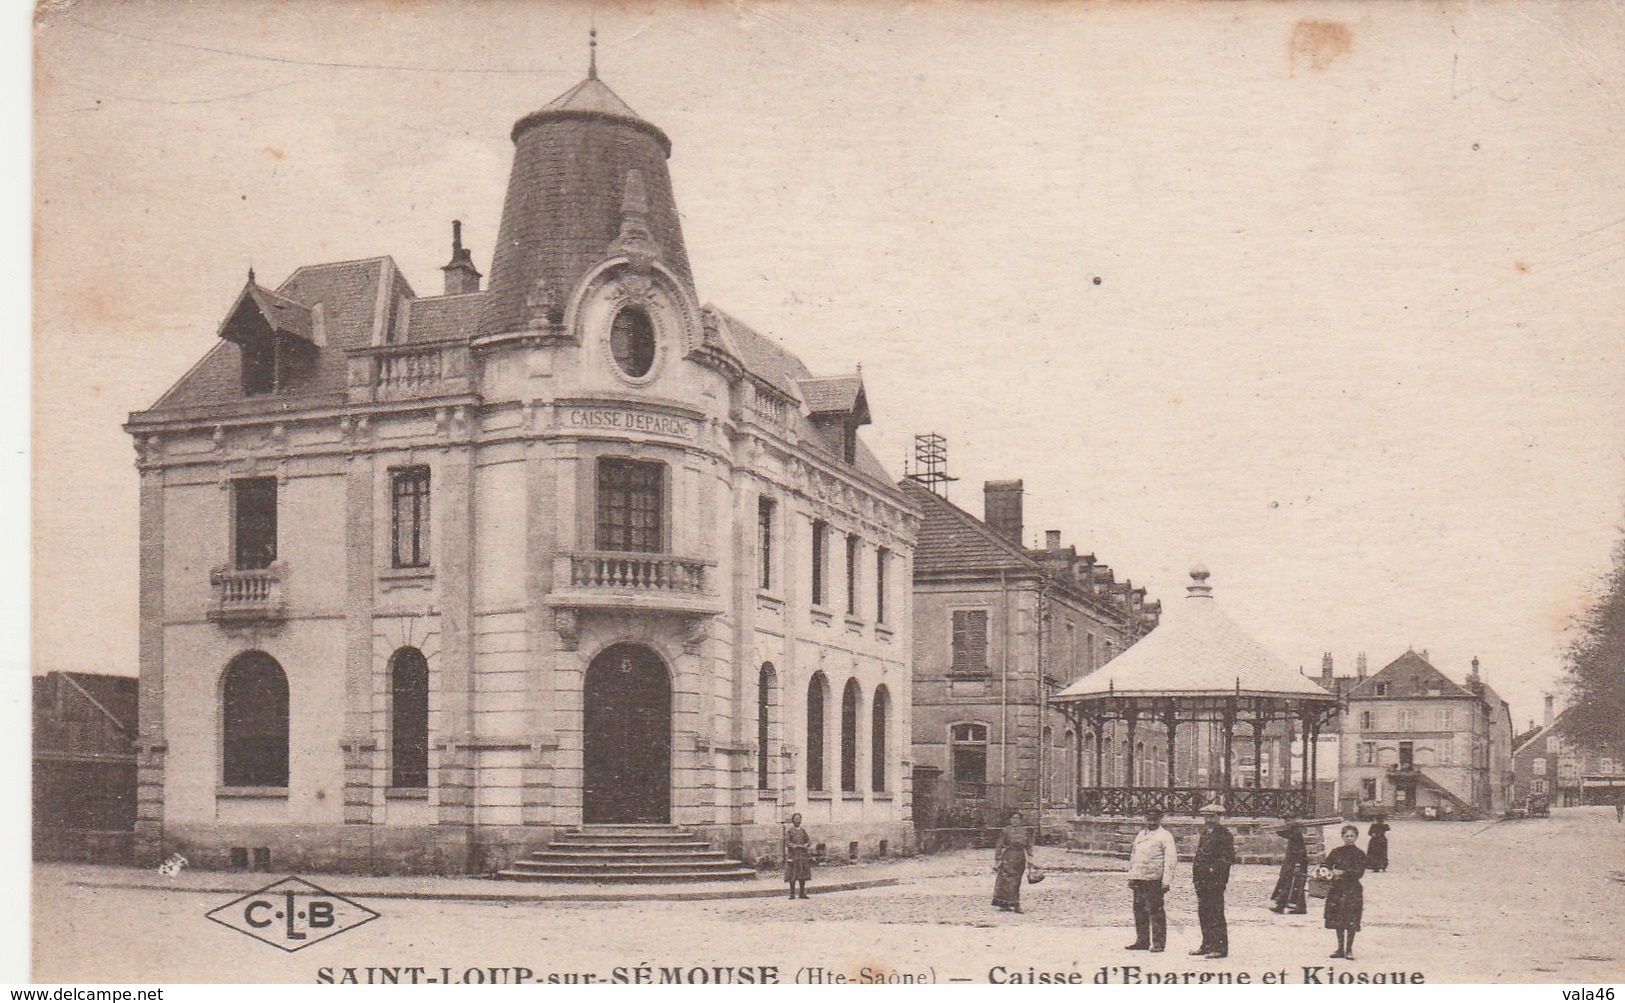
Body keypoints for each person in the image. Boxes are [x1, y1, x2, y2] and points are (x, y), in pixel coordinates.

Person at [1124, 808, 1178, 952]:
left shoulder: (1165, 836)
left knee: (1156, 910)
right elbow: (1134, 856)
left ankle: (1158, 943)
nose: (1151, 822)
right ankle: (1142, 940)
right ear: (1145, 819)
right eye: (1149, 819)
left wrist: (1166, 881)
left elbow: (1170, 860)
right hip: (1139, 877)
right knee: (1139, 910)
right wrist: (1131, 876)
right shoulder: (1141, 835)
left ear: (1160, 819)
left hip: (1154, 878)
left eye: (1155, 819)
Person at [1191, 802, 1236, 959]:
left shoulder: (1224, 835)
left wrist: (1214, 871)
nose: (1208, 820)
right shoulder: (1205, 833)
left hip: (1215, 881)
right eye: (1206, 817)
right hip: (1201, 880)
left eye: (1212, 817)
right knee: (1204, 913)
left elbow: (1227, 858)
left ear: (1219, 817)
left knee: (1216, 913)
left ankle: (1220, 948)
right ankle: (1207, 944)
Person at [1324, 824, 1368, 959]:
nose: (1349, 838)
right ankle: (1340, 949)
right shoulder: (1336, 851)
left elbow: (1359, 873)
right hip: (1337, 889)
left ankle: (1349, 949)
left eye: (1352, 836)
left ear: (1356, 837)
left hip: (1352, 889)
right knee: (1338, 919)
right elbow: (1326, 864)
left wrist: (1342, 872)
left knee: (1351, 920)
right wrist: (1326, 871)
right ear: (1342, 837)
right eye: (1346, 836)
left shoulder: (1360, 854)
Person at [992, 810, 1033, 913]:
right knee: (1006, 881)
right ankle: (1012, 904)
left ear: (1020, 820)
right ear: (1010, 820)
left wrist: (1030, 857)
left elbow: (1029, 845)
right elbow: (999, 845)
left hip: (1020, 857)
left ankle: (1013, 903)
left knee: (1016, 881)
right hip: (1008, 857)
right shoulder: (1005, 831)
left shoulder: (1024, 831)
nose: (1015, 821)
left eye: (1017, 818)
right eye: (1013, 818)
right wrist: (997, 859)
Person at [1269, 815, 1308, 914]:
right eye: (1286, 821)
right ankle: (1300, 907)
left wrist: (1298, 865)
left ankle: (1281, 906)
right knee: (1294, 884)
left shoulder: (1296, 833)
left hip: (1296, 862)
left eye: (1289, 820)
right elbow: (1285, 834)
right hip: (1292, 862)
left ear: (1294, 820)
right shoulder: (1294, 831)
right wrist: (1277, 829)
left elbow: (1300, 850)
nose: (1287, 823)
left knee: (1289, 883)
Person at [783, 813, 812, 900]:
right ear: (793, 820)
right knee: (793, 874)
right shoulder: (790, 831)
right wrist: (794, 846)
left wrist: (806, 845)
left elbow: (808, 840)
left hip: (802, 856)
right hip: (793, 855)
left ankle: (802, 893)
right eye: (796, 819)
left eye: (799, 819)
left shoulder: (803, 831)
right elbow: (787, 842)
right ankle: (792, 894)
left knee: (802, 874)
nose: (798, 821)